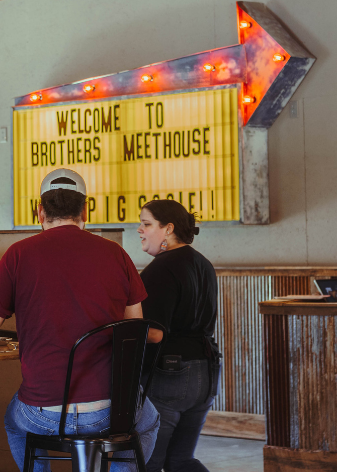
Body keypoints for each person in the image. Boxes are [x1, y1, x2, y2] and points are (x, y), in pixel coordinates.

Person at [0, 168, 161, 472]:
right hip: (109, 411)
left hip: (42, 411)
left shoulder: (18, 254)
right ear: (85, 212)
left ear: (40, 212)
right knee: (149, 421)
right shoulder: (116, 254)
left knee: (13, 423)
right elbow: (134, 330)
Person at [136, 199, 220, 472]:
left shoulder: (162, 268)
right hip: (205, 371)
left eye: (147, 224)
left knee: (148, 462)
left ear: (168, 229)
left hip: (171, 373)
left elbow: (155, 333)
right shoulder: (203, 263)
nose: (139, 230)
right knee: (181, 461)